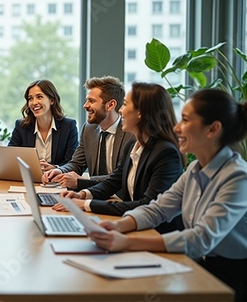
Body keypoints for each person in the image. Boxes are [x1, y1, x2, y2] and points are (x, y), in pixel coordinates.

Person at [88, 89, 247, 301]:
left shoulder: (237, 177)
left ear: (213, 129)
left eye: (185, 120)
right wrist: (118, 226)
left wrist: (126, 243)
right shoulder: (194, 169)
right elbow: (158, 208)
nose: (176, 127)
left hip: (230, 279)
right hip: (195, 262)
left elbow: (202, 238)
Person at [53, 82, 184, 233]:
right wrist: (81, 195)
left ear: (140, 112)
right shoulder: (133, 146)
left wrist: (86, 204)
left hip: (157, 234)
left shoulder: (165, 153)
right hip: (133, 226)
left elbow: (147, 204)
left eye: (125, 105)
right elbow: (112, 182)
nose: (120, 110)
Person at [43, 76, 134, 188]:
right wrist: (60, 171)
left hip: (119, 198)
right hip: (92, 195)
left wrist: (83, 180)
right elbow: (77, 163)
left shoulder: (131, 134)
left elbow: (120, 176)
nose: (85, 105)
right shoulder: (89, 129)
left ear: (111, 105)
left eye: (91, 101)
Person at [8, 79, 79, 171]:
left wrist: (55, 168)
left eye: (39, 97)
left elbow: (71, 162)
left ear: (52, 100)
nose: (34, 102)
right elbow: (10, 158)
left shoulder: (69, 126)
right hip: (29, 179)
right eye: (30, 98)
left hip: (57, 181)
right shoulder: (21, 126)